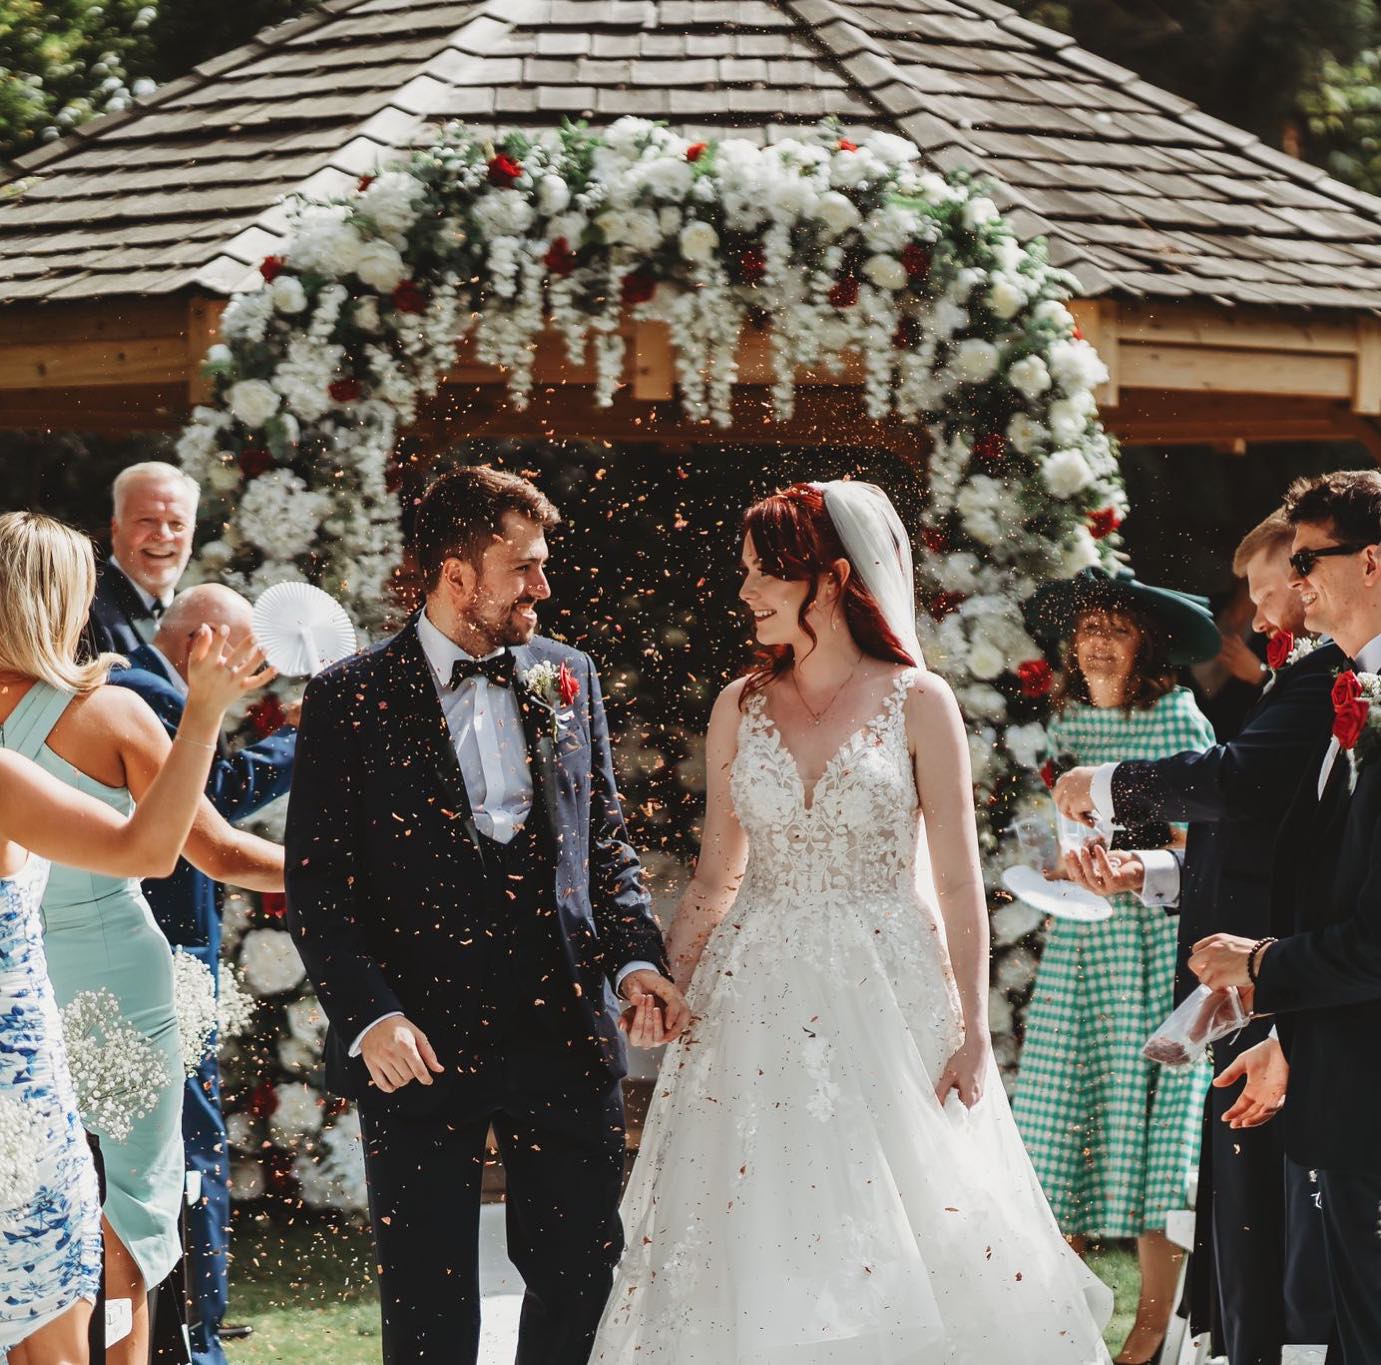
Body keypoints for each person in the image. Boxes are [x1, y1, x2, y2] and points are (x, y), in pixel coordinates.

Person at [591, 482, 1113, 1364]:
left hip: (889, 992)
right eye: (746, 573)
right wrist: (664, 982)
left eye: (763, 574)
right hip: (752, 998)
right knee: (758, 1221)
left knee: (906, 1222)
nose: (746, 592)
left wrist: (975, 1032)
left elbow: (955, 881)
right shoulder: (738, 706)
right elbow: (718, 874)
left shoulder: (918, 701)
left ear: (829, 580)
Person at [285, 466, 687, 1365]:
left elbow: (605, 846)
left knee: (581, 1278)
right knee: (428, 1304)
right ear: (456, 574)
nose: (543, 586)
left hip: (561, 1032)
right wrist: (372, 1014)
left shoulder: (567, 675)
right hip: (417, 1042)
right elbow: (316, 885)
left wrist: (634, 961)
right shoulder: (348, 697)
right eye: (526, 567)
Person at [0, 511, 286, 1365]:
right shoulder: (114, 713)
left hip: (27, 981)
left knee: (29, 1213)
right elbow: (213, 851)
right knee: (127, 1205)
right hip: (108, 987)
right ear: (65, 597)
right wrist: (352, 875)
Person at [1053, 512, 1337, 1365]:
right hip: (1238, 969)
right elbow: (1238, 844)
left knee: (1281, 1231)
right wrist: (1150, 878)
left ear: (1309, 575)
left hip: (1281, 976)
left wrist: (1105, 783)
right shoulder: (1297, 676)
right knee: (1239, 1220)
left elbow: (1239, 791)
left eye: (1259, 592)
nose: (1250, 619)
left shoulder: (1323, 679)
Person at [1191, 468, 1381, 1365]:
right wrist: (1290, 1038)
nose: (1297, 581)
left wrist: (1262, 965)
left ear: (1372, 561)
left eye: (1310, 559)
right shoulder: (1353, 692)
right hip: (1342, 1073)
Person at [1010, 566, 1219, 1365]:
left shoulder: (1174, 712)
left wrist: (1130, 855)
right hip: (1082, 943)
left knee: (1152, 1126)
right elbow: (1057, 827)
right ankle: (1057, 1325)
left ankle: (1150, 1328)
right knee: (1060, 1113)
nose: (1096, 640)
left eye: (1115, 628)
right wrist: (1054, 861)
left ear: (1148, 644)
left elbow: (1209, 832)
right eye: (1087, 626)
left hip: (1152, 939)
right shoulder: (1064, 717)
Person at [107, 584, 298, 1365]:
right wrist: (300, 740)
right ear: (205, 644)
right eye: (247, 653)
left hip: (142, 949)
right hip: (165, 953)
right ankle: (196, 1330)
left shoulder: (125, 684)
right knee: (193, 1146)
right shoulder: (144, 690)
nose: (253, 670)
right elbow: (209, 807)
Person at [88, 462, 199, 654]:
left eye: (177, 524)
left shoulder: (197, 616)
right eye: (147, 520)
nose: (163, 535)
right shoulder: (87, 611)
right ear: (116, 528)